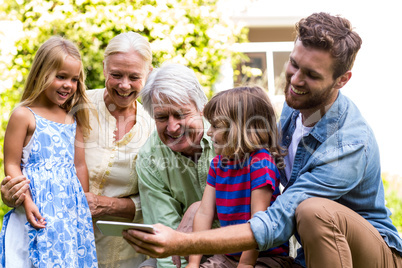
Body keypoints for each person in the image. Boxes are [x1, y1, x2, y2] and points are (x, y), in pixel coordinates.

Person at [123, 12, 402, 267]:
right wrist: (198, 208)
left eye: (312, 75)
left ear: (342, 80)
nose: (295, 80)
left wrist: (182, 242)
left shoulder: (349, 141)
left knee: (313, 210)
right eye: (294, 64)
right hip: (310, 254)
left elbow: (277, 220)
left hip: (369, 255)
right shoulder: (296, 106)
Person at [1, 31, 155, 268]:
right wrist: (17, 195)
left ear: (149, 75)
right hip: (52, 229)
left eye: (134, 77)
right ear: (104, 68)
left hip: (117, 252)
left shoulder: (155, 127)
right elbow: (15, 164)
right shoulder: (78, 107)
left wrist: (98, 205)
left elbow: (159, 197)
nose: (125, 85)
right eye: (116, 74)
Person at [0, 36, 97, 267]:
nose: (68, 85)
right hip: (36, 208)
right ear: (41, 74)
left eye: (74, 79)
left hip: (67, 213)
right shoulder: (24, 115)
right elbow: (12, 164)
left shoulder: (72, 119)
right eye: (60, 77)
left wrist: (82, 204)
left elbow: (79, 165)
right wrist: (26, 200)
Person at [187, 86, 291, 268]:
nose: (209, 132)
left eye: (216, 126)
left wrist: (246, 264)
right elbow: (204, 213)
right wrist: (193, 262)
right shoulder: (218, 164)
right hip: (228, 256)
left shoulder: (260, 163)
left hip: (264, 256)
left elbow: (259, 221)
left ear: (240, 129)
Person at [135, 63, 216, 268]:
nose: (172, 127)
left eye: (181, 114)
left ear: (201, 108)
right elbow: (166, 240)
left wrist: (200, 209)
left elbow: (251, 216)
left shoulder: (227, 139)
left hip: (237, 248)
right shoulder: (149, 158)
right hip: (187, 253)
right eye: (162, 117)